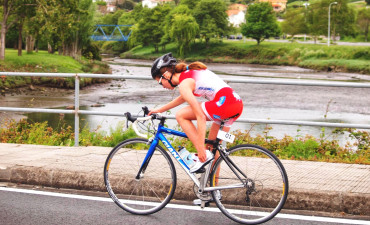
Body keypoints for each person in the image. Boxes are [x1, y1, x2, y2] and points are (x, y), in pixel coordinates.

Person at [149, 53, 243, 173]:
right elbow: (183, 97)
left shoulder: (184, 84)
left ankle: (201, 156)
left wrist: (200, 150)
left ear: (166, 75)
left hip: (224, 104)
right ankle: (213, 189)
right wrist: (159, 110)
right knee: (212, 149)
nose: (162, 86)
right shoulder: (188, 75)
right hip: (235, 104)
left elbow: (200, 116)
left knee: (180, 115)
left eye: (160, 82)